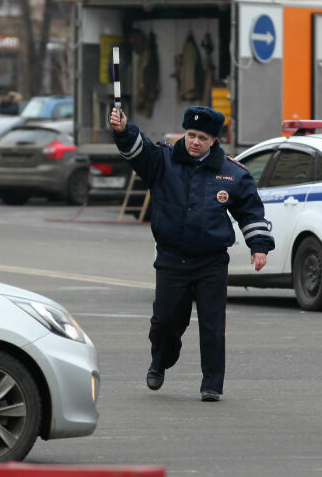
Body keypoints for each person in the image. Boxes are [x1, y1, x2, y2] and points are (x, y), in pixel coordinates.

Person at [110, 105, 274, 402]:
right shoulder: (163, 161)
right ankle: (160, 361)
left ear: (213, 141)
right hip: (172, 260)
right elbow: (138, 151)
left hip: (211, 261)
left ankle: (212, 383)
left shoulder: (232, 173)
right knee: (166, 322)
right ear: (184, 133)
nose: (195, 141)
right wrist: (124, 130)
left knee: (213, 325)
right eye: (191, 134)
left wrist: (259, 247)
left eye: (202, 137)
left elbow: (250, 210)